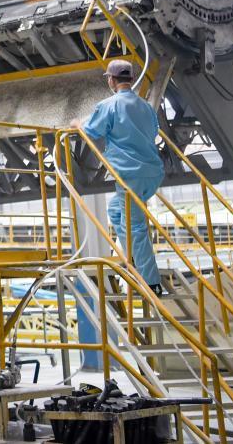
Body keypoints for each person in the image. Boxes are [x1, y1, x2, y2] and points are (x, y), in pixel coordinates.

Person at [74, 59, 165, 295]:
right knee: (116, 210)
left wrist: (77, 125)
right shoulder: (145, 106)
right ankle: (132, 256)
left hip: (130, 175)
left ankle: (151, 283)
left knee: (135, 226)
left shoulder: (109, 105)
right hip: (152, 173)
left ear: (111, 80)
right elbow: (153, 131)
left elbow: (91, 131)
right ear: (131, 79)